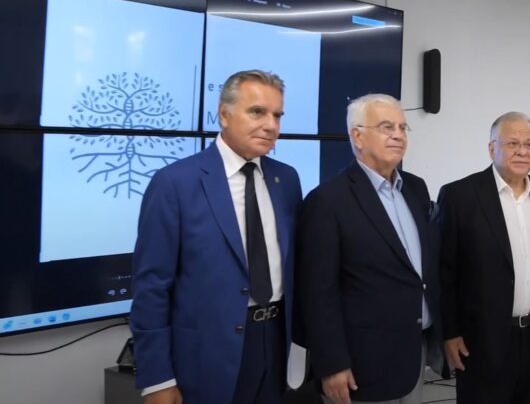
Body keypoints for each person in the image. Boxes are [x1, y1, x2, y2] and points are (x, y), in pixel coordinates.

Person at [131, 70, 303, 404]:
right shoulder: (175, 183)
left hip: (276, 344)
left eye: (277, 115)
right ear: (224, 114)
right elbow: (152, 286)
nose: (270, 125)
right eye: (257, 112)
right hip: (206, 356)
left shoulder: (286, 179)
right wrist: (157, 378)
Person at [296, 94, 443, 404]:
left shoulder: (415, 188)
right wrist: (331, 363)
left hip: (414, 353)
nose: (398, 135)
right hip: (360, 364)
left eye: (403, 128)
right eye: (387, 127)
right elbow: (318, 293)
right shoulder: (327, 201)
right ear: (357, 136)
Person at [438, 112, 530, 404]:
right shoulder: (460, 196)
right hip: (481, 341)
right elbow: (445, 273)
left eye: (529, 144)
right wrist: (449, 333)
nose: (522, 151)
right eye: (512, 143)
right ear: (491, 149)